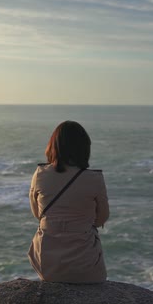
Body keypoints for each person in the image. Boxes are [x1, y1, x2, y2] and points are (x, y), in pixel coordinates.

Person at [27, 120, 109, 283]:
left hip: (49, 267)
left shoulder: (40, 174)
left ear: (53, 146)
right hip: (87, 269)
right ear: (84, 148)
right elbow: (102, 218)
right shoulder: (94, 179)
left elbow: (37, 214)